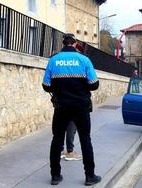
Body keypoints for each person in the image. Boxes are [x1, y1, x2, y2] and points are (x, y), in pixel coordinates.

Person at [42, 33, 101, 186]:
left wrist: (59, 87)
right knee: (85, 139)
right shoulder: (84, 59)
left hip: (61, 106)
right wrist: (81, 86)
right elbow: (94, 84)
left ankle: (55, 176)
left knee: (56, 140)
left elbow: (46, 86)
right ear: (75, 43)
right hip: (81, 106)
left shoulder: (53, 60)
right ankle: (90, 176)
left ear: (63, 44)